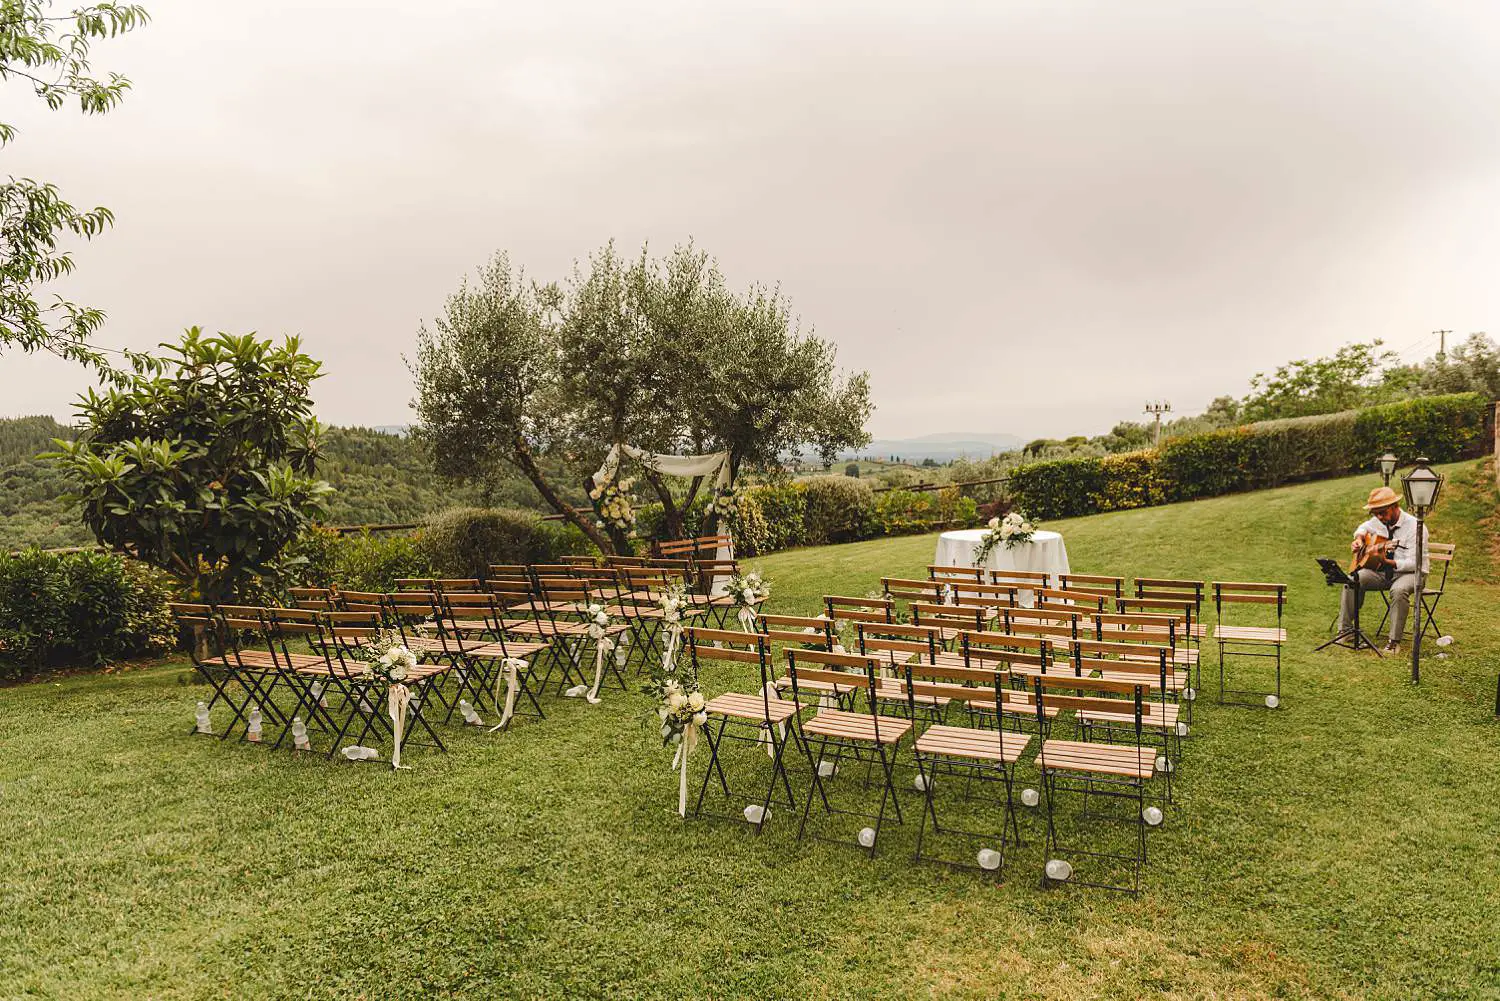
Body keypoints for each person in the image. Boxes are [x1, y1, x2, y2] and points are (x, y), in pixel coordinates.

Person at [1338, 486, 1430, 652]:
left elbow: (1414, 562)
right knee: (1353, 579)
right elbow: (1363, 526)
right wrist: (1359, 538)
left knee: (1399, 590)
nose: (1379, 517)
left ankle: (1394, 642)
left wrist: (1388, 562)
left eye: (1382, 512)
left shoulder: (1416, 527)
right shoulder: (1379, 520)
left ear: (1395, 506)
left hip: (1411, 573)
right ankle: (1345, 632)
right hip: (1383, 572)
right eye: (1375, 513)